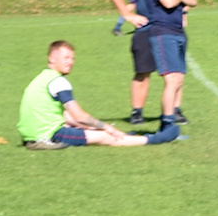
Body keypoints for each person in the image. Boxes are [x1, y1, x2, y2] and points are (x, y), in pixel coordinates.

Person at [18, 41, 182, 148]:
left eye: (72, 58)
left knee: (75, 123)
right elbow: (80, 116)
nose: (70, 62)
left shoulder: (42, 78)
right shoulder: (59, 82)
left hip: (31, 133)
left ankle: (127, 136)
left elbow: (66, 115)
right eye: (66, 58)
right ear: (52, 58)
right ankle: (153, 139)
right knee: (105, 137)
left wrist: (88, 126)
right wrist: (108, 128)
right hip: (50, 135)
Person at [105, 0, 195, 125]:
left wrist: (184, 10)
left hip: (172, 28)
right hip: (147, 28)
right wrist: (128, 16)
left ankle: (175, 110)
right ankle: (137, 111)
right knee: (143, 71)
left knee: (177, 73)